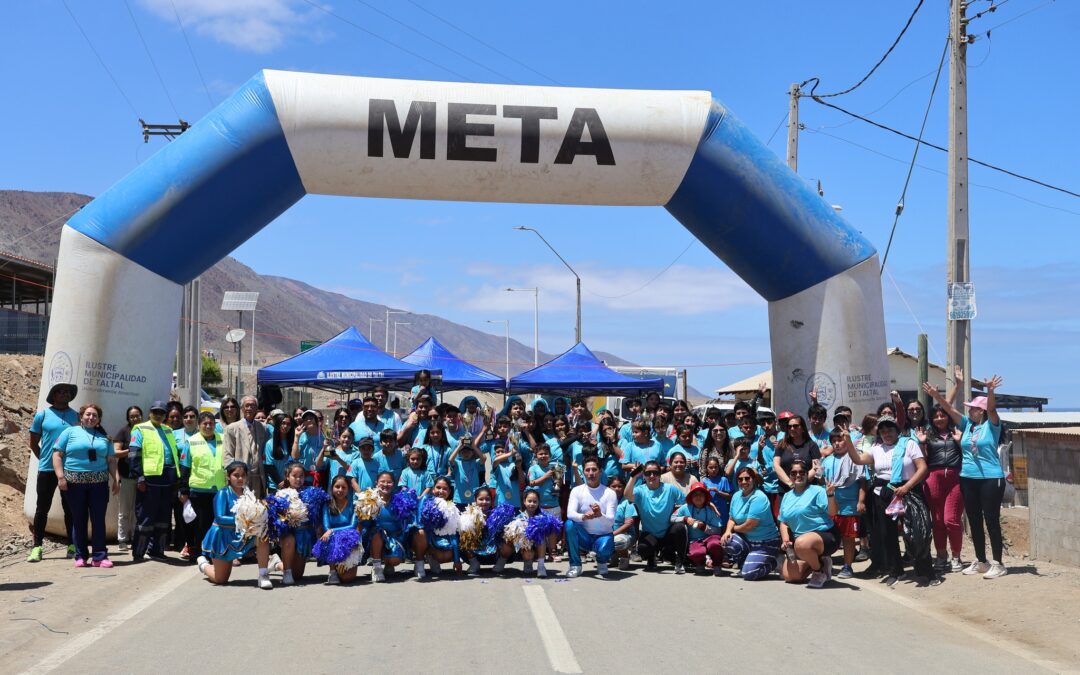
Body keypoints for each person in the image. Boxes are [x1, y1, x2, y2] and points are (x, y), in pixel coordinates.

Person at [924, 376, 1009, 579]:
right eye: (969, 408)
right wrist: (937, 395)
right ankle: (981, 561)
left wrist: (989, 391)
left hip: (990, 478)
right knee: (974, 519)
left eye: (972, 408)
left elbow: (992, 410)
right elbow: (949, 409)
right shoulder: (966, 425)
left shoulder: (992, 426)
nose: (969, 410)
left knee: (991, 520)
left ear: (980, 411)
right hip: (968, 478)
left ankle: (998, 563)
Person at [845, 416, 932, 586]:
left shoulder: (909, 444)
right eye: (883, 431)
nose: (886, 433)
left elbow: (922, 468)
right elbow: (857, 459)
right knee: (887, 534)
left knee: (917, 531)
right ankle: (895, 570)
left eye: (890, 430)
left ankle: (924, 570)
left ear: (897, 430)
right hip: (883, 492)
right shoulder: (876, 449)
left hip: (908, 490)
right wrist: (848, 440)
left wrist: (906, 487)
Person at [52, 403, 119, 567]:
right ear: (81, 417)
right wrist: (61, 477)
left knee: (98, 520)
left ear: (99, 419)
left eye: (94, 415)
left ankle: (100, 556)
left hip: (99, 485)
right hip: (74, 485)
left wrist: (117, 479)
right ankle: (80, 556)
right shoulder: (69, 432)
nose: (91, 417)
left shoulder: (105, 438)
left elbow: (111, 460)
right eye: (88, 414)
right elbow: (57, 455)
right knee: (79, 519)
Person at [196, 461, 273, 589]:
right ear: (228, 476)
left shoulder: (248, 493)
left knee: (263, 536)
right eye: (236, 475)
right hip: (223, 537)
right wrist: (245, 520)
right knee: (221, 579)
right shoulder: (222, 493)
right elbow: (220, 518)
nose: (240, 478)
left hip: (242, 534)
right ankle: (203, 565)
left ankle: (263, 575)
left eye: (243, 475)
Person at [27, 382, 80, 562]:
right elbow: (34, 443)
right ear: (53, 395)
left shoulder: (76, 417)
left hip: (71, 469)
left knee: (70, 509)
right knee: (42, 508)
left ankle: (72, 545)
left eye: (68, 392)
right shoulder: (42, 415)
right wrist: (45, 459)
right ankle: (37, 547)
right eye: (60, 391)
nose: (65, 394)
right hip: (47, 470)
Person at [129, 400, 181, 561]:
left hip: (167, 480)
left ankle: (157, 550)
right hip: (148, 480)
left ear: (165, 415)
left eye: (161, 413)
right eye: (155, 412)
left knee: (163, 519)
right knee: (145, 518)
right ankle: (138, 552)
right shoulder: (140, 429)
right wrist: (140, 477)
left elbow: (174, 455)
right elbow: (134, 455)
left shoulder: (168, 430)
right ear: (150, 413)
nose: (158, 415)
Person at [916, 403, 965, 574]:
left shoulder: (957, 433)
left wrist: (960, 442)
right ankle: (941, 556)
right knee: (937, 521)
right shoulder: (927, 436)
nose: (939, 419)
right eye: (936, 416)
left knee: (951, 520)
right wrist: (921, 443)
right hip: (934, 478)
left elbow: (968, 454)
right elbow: (921, 460)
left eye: (942, 415)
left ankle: (957, 556)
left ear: (948, 417)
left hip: (956, 478)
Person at [778, 460, 840, 588]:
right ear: (789, 476)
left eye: (801, 472)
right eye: (793, 473)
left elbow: (833, 512)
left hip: (825, 535)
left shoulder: (817, 491)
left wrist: (830, 495)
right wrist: (786, 540)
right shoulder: (787, 496)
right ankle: (820, 561)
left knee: (801, 543)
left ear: (807, 474)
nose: (798, 475)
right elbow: (783, 522)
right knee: (791, 577)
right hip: (801, 542)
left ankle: (819, 570)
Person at [179, 411, 226, 567]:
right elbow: (185, 468)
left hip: (218, 490)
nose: (208, 426)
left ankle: (212, 553)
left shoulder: (223, 439)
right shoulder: (191, 442)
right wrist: (183, 490)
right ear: (199, 426)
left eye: (211, 423)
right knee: (199, 525)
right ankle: (198, 553)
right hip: (198, 490)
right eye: (204, 423)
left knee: (216, 524)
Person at [624, 461, 687, 573]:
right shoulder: (640, 490)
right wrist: (633, 476)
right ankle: (651, 558)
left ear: (660, 474)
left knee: (680, 528)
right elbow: (627, 495)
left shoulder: (670, 489)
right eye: (648, 473)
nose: (652, 476)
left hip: (667, 535)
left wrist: (707, 503)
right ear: (644, 475)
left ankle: (679, 561)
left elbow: (687, 501)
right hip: (650, 535)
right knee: (643, 548)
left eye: (655, 473)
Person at [820, 428, 866, 579]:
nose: (837, 444)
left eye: (840, 440)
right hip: (831, 504)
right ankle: (825, 563)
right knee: (828, 536)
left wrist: (861, 501)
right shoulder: (827, 460)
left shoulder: (855, 457)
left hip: (849, 505)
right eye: (834, 441)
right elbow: (821, 480)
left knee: (848, 538)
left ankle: (848, 566)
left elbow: (862, 482)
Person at [720, 467, 781, 580]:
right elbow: (732, 518)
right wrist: (728, 531)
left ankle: (775, 563)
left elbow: (749, 526)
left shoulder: (759, 497)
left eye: (747, 478)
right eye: (740, 479)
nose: (743, 482)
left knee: (749, 574)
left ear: (753, 479)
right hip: (748, 540)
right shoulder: (736, 496)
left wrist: (733, 529)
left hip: (766, 543)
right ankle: (744, 564)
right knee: (726, 541)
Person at [565, 457, 617, 578]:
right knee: (569, 524)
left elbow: (611, 521)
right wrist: (583, 517)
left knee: (605, 547)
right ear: (583, 472)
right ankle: (575, 565)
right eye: (587, 470)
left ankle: (602, 561)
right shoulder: (576, 490)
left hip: (603, 536)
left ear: (600, 471)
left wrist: (600, 515)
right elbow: (570, 514)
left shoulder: (610, 493)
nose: (591, 473)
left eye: (594, 469)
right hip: (585, 537)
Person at [364, 472, 410, 582]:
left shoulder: (399, 500)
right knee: (377, 532)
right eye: (382, 482)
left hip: (393, 538)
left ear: (394, 484)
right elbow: (364, 524)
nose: (386, 484)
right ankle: (377, 567)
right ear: (376, 483)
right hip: (374, 538)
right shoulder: (369, 499)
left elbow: (403, 525)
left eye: (389, 482)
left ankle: (389, 564)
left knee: (394, 560)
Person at [223, 396, 270, 497]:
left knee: (257, 509)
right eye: (247, 405)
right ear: (242, 408)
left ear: (257, 408)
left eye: (252, 406)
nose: (249, 408)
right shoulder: (232, 428)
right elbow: (227, 455)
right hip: (240, 477)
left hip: (258, 477)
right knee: (240, 508)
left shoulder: (262, 428)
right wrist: (233, 477)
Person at [675, 481, 725, 575]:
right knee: (696, 553)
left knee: (715, 544)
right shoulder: (685, 508)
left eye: (701, 494)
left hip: (709, 538)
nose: (698, 497)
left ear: (706, 496)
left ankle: (717, 564)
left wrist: (704, 527)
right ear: (691, 497)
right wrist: (685, 518)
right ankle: (700, 564)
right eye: (695, 494)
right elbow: (672, 518)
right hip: (694, 540)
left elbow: (718, 530)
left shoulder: (710, 509)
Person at [276, 462, 314, 585]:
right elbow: (276, 518)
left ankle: (277, 564)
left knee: (297, 575)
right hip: (288, 534)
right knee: (289, 540)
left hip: (303, 535)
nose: (298, 479)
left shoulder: (310, 493)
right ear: (287, 476)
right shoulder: (281, 494)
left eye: (301, 476)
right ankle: (286, 572)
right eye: (294, 476)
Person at [113, 405, 143, 552]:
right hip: (126, 476)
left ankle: (135, 538)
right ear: (128, 418)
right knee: (124, 510)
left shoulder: (146, 431)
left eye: (137, 415)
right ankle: (123, 539)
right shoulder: (124, 432)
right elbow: (115, 452)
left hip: (143, 478)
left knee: (139, 511)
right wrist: (131, 450)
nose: (135, 418)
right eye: (132, 416)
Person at [321, 475, 360, 584]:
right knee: (329, 537)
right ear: (332, 488)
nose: (340, 490)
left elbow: (352, 526)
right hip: (334, 540)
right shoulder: (327, 505)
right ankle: (332, 571)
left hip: (349, 540)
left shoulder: (354, 504)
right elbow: (326, 527)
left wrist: (332, 531)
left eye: (344, 487)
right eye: (337, 487)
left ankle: (343, 565)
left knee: (347, 578)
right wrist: (331, 532)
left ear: (348, 489)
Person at [773, 414, 822, 493]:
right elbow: (776, 465)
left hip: (807, 490)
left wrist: (801, 483)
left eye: (795, 426)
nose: (792, 428)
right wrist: (790, 483)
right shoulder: (781, 444)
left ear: (802, 428)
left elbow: (817, 467)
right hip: (785, 490)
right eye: (789, 426)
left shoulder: (812, 445)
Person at [609, 476, 637, 571]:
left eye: (620, 486)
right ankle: (613, 558)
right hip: (610, 533)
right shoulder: (605, 500)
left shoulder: (627, 502)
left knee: (618, 540)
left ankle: (624, 557)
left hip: (626, 535)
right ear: (609, 487)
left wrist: (612, 534)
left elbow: (628, 524)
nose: (617, 489)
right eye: (613, 486)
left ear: (624, 487)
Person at [264, 409, 294, 494]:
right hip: (275, 485)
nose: (285, 426)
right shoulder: (270, 443)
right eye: (283, 423)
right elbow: (269, 466)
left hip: (291, 484)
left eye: (288, 424)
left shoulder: (292, 442)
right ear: (278, 424)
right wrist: (279, 482)